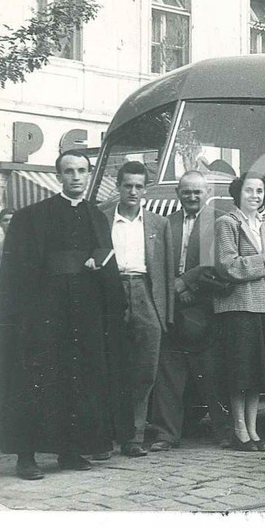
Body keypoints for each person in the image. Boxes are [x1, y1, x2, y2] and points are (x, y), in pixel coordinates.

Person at [0, 150, 126, 480]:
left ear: (89, 174)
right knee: (36, 381)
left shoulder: (97, 216)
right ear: (59, 177)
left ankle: (70, 451)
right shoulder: (32, 216)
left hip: (84, 314)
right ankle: (26, 456)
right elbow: (18, 271)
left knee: (77, 381)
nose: (76, 177)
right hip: (45, 315)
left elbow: (107, 262)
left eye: (82, 171)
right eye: (69, 171)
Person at [149, 171, 231, 452]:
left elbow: (217, 264)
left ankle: (224, 431)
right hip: (172, 306)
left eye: (197, 192)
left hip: (206, 305)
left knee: (212, 373)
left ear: (208, 192)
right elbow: (157, 263)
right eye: (186, 192)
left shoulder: (219, 220)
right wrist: (173, 291)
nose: (192, 197)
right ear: (178, 193)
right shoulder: (165, 223)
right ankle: (166, 434)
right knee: (168, 372)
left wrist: (186, 284)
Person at [102, 161, 174, 457]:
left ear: (146, 189)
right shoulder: (101, 218)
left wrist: (165, 313)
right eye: (127, 185)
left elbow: (167, 272)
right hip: (111, 291)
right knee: (108, 366)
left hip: (146, 293)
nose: (133, 191)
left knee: (145, 370)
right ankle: (103, 438)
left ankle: (134, 437)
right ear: (118, 186)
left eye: (139, 186)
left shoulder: (158, 223)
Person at [214, 172, 265, 452]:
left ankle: (253, 430)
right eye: (249, 191)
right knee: (240, 371)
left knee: (257, 371)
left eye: (259, 192)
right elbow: (227, 265)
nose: (255, 196)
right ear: (238, 193)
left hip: (262, 303)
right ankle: (239, 430)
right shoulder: (227, 223)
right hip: (238, 305)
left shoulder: (261, 225)